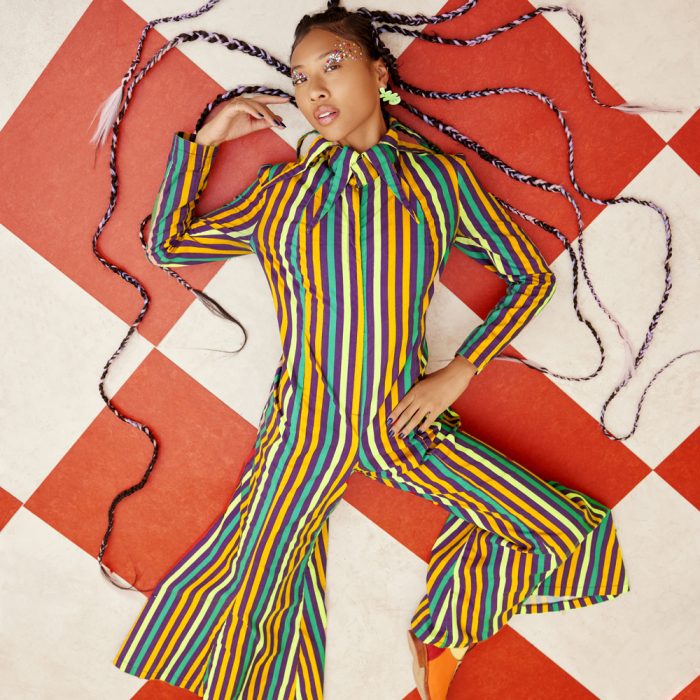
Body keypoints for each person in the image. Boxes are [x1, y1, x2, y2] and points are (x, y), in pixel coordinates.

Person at [109, 10, 632, 700]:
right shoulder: (282, 194)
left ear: (380, 74)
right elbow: (168, 244)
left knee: (568, 529)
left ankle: (446, 628)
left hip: (404, 422)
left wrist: (458, 372)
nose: (315, 90)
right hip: (304, 428)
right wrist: (205, 140)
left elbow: (530, 276)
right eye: (300, 78)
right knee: (253, 577)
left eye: (333, 65)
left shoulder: (437, 183)